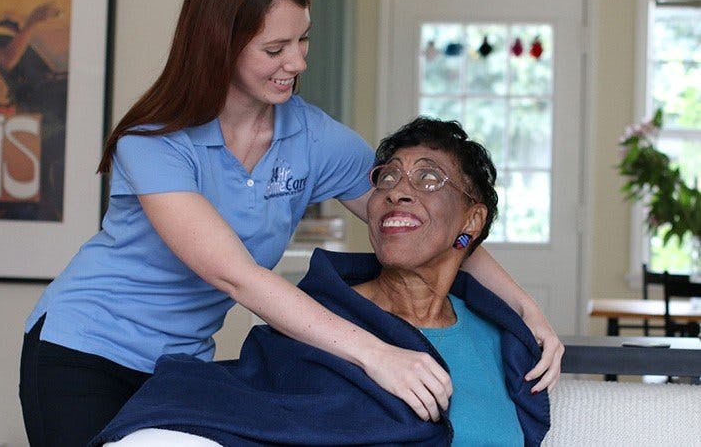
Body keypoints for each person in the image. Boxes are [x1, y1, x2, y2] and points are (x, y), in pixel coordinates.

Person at [18, 0, 562, 445]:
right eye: (275, 48)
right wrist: (376, 355)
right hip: (83, 351)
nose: (298, 62)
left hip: (180, 365)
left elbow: (429, 224)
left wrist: (527, 309)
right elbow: (237, 275)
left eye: (303, 39)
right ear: (219, 45)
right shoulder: (156, 142)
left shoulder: (311, 137)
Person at [91, 118, 550, 446]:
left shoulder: (504, 341)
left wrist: (529, 310)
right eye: (387, 177)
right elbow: (257, 412)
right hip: (89, 342)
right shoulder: (324, 319)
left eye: (429, 178)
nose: (397, 190)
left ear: (472, 218)